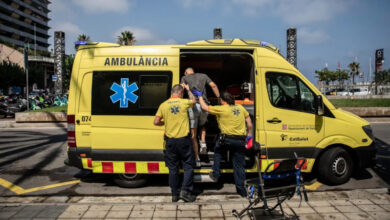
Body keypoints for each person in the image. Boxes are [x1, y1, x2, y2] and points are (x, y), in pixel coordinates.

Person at [196, 90, 253, 197]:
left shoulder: (221, 109)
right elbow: (249, 123)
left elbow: (204, 107)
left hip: (226, 139)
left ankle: (216, 173)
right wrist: (249, 136)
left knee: (217, 151)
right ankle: (241, 190)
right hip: (240, 140)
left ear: (222, 100)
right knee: (239, 166)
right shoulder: (240, 108)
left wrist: (200, 97)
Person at [154, 84, 197, 202]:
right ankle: (185, 191)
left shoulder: (163, 105)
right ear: (180, 93)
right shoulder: (184, 102)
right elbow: (194, 100)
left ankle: (174, 194)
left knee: (173, 169)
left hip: (170, 142)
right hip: (183, 141)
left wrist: (166, 123)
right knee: (188, 166)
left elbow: (156, 121)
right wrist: (188, 89)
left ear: (172, 92)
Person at [181, 67, 220, 165]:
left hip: (193, 106)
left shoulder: (184, 78)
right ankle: (203, 143)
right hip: (204, 105)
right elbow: (213, 86)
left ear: (186, 72)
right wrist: (219, 98)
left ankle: (197, 158)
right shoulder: (204, 75)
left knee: (193, 134)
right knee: (203, 124)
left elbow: (180, 90)